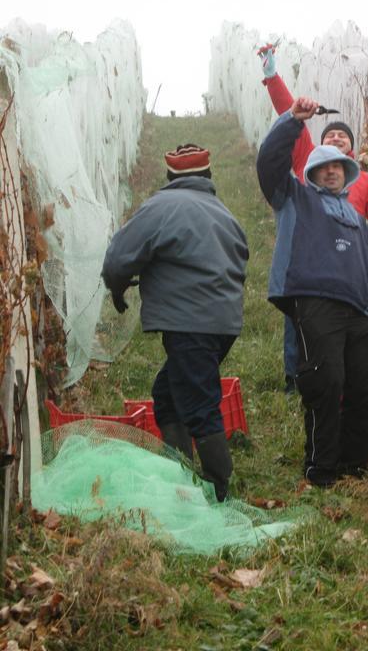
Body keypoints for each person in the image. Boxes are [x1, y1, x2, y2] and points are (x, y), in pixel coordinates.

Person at [257, 96, 368, 488]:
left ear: (347, 171)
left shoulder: (357, 221)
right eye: (324, 168)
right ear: (313, 173)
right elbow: (268, 163)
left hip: (357, 311)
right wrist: (292, 121)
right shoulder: (295, 199)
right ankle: (321, 471)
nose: (332, 172)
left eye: (338, 166)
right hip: (314, 301)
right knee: (326, 381)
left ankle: (352, 467)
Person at [101, 144, 249, 502]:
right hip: (224, 324)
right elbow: (241, 256)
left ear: (170, 178)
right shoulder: (223, 213)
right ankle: (180, 474)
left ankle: (218, 492)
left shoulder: (161, 207)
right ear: (209, 177)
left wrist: (117, 288)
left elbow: (119, 258)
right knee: (168, 397)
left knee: (198, 404)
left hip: (189, 324)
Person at [259, 46, 368, 394]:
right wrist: (273, 77)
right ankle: (296, 377)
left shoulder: (363, 181)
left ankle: (343, 380)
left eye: (343, 137)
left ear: (351, 153)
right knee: (302, 325)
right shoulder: (309, 160)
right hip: (312, 262)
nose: (335, 139)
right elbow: (290, 115)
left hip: (348, 267)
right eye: (330, 136)